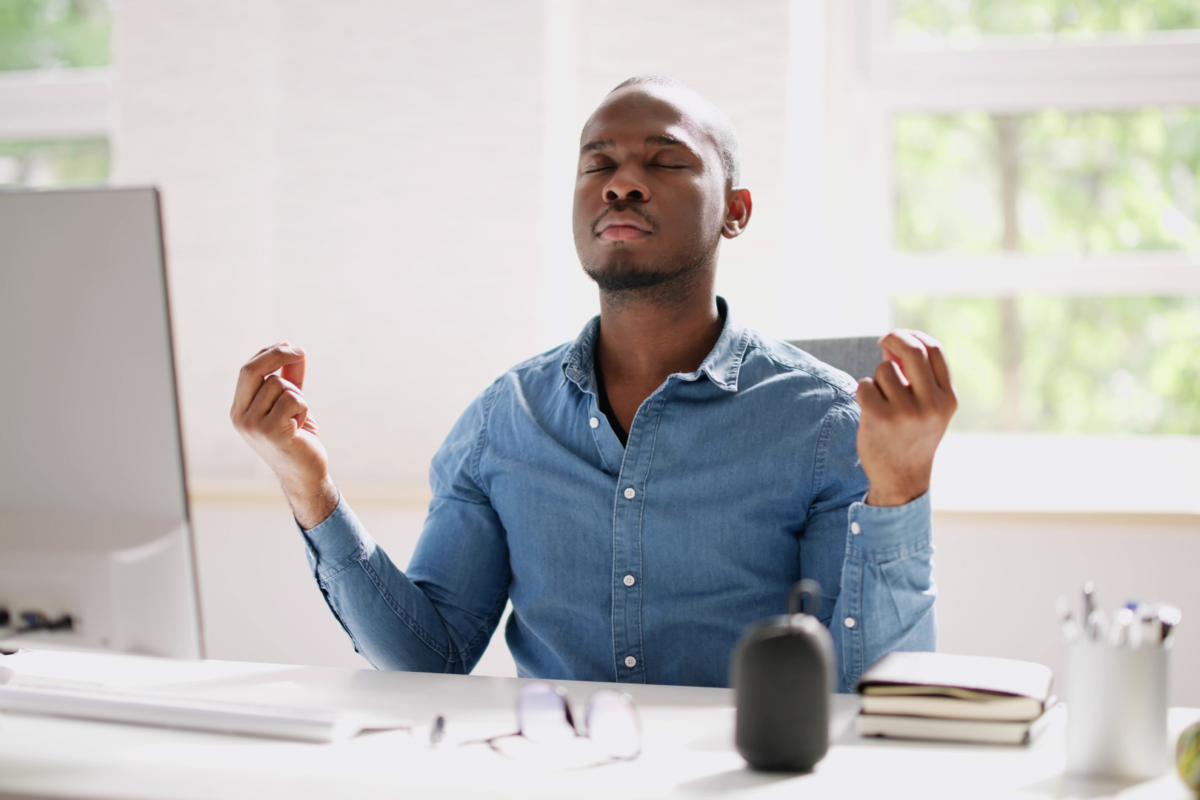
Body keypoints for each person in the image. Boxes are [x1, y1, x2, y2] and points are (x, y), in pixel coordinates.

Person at [231, 76, 957, 692]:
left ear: (735, 212)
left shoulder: (828, 424)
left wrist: (900, 489)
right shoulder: (504, 420)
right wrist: (311, 488)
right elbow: (431, 659)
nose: (623, 181)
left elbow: (868, 693)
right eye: (598, 163)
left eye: (667, 161)